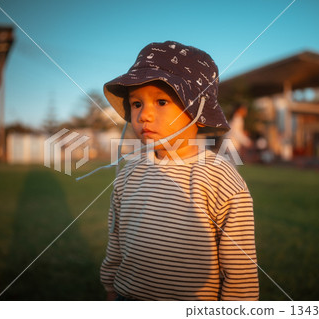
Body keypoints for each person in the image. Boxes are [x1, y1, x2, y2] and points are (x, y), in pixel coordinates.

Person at [100, 41, 259, 300]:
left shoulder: (220, 178)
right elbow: (116, 243)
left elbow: (240, 272)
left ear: (198, 110)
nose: (143, 116)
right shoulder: (129, 174)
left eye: (161, 101)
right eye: (137, 104)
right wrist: (110, 288)